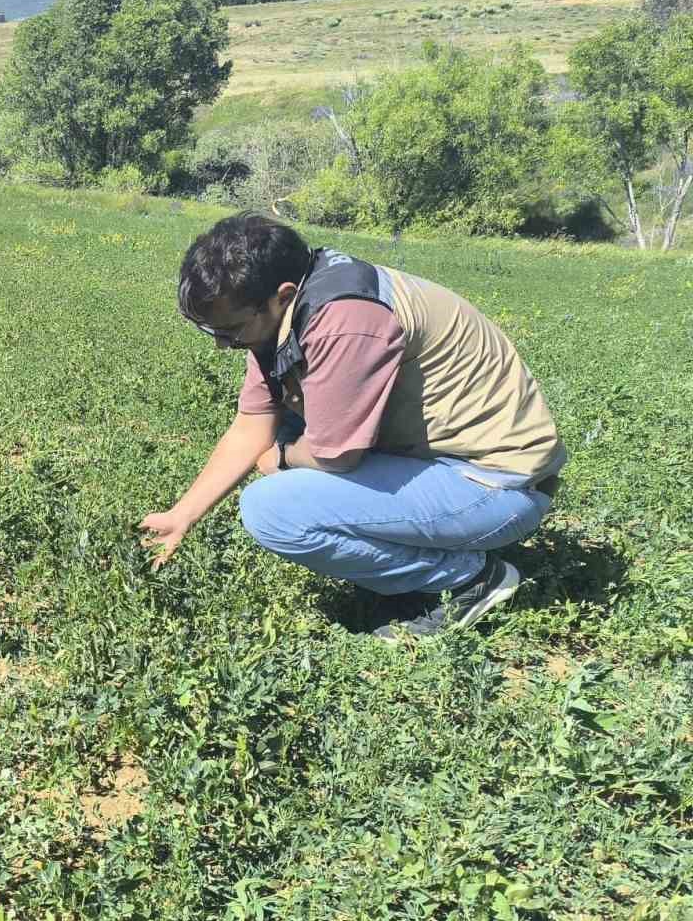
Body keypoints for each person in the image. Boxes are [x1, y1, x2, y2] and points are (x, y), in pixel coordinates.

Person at [137, 214, 567, 641]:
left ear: (282, 296)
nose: (221, 344)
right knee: (287, 436)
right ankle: (418, 566)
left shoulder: (345, 321)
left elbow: (335, 455)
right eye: (211, 330)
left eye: (230, 330)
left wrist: (282, 458)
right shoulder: (287, 311)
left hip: (496, 486)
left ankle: (469, 579)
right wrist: (182, 515)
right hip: (444, 466)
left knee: (272, 509)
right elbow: (252, 425)